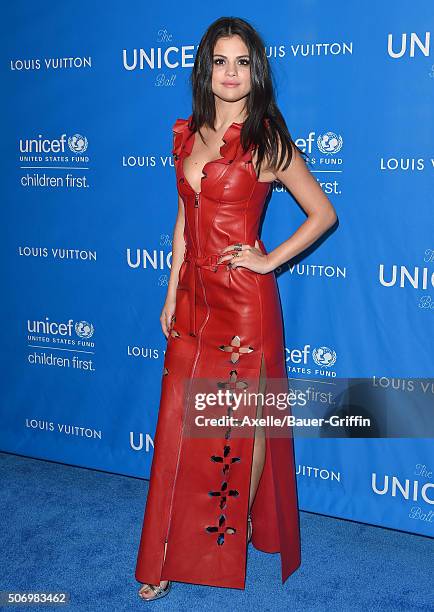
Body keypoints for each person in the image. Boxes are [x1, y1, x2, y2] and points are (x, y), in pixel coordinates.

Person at [135, 15, 337, 601]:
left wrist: (268, 261)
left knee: (240, 432)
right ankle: (169, 551)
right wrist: (172, 290)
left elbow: (322, 213)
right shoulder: (189, 133)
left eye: (242, 61)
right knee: (177, 427)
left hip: (244, 306)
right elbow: (182, 220)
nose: (230, 72)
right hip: (194, 301)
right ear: (206, 69)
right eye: (220, 61)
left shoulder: (267, 135)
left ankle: (227, 534)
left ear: (256, 71)